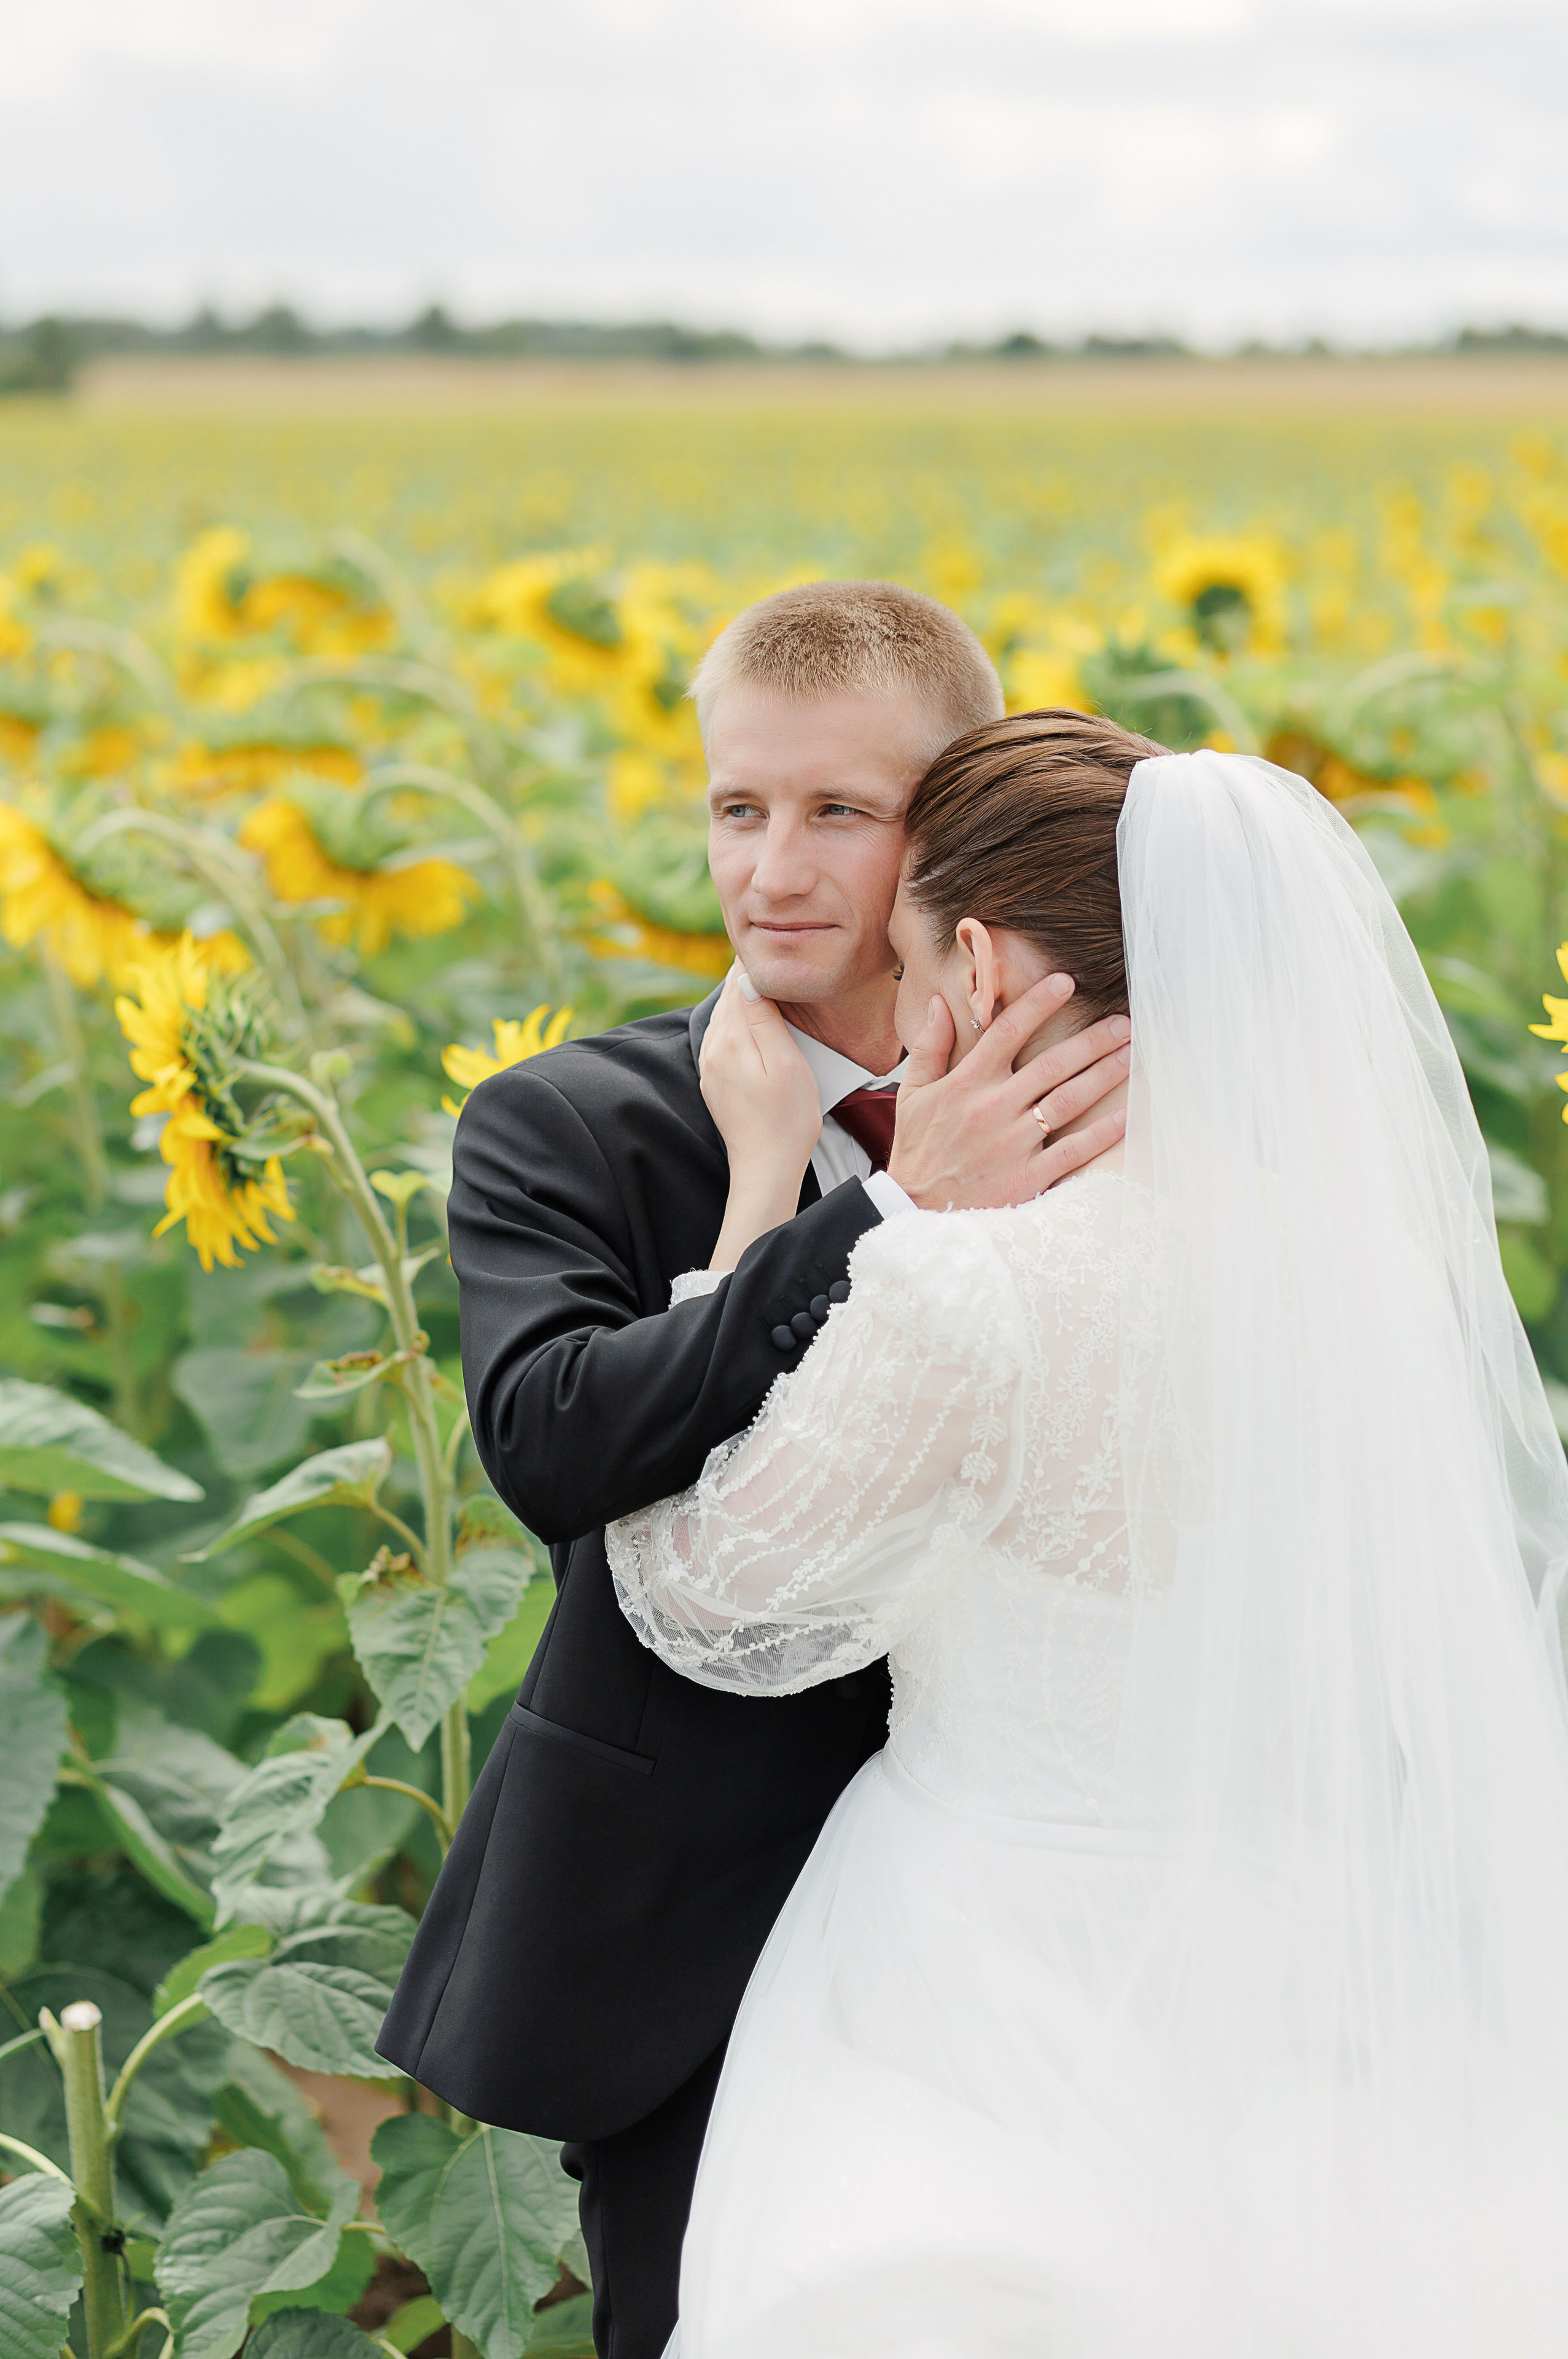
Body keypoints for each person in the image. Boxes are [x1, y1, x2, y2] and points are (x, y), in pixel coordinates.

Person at [607, 713, 1568, 2358]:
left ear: (975, 967)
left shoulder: (968, 1287)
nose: (902, 1025)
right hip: (1311, 1981)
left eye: (910, 967)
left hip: (970, 1988)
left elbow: (708, 1596)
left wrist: (763, 1191)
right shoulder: (1373, 1274)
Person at [375, 585, 1131, 2359]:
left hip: (1020, 1916)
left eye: (838, 814)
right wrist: (862, 1207)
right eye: (737, 807)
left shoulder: (1096, 1109)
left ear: (949, 818)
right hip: (687, 1933)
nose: (771, 869)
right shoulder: (567, 1119)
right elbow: (553, 1444)